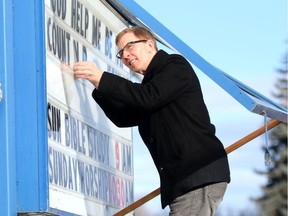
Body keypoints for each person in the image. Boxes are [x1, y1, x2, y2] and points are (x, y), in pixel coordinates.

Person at [73, 26, 230, 216]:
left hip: (197, 175)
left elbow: (148, 97)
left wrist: (103, 77)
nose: (126, 56)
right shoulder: (151, 88)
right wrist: (98, 83)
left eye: (130, 46)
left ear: (149, 44)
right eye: (121, 53)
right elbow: (124, 117)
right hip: (184, 181)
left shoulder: (174, 66)